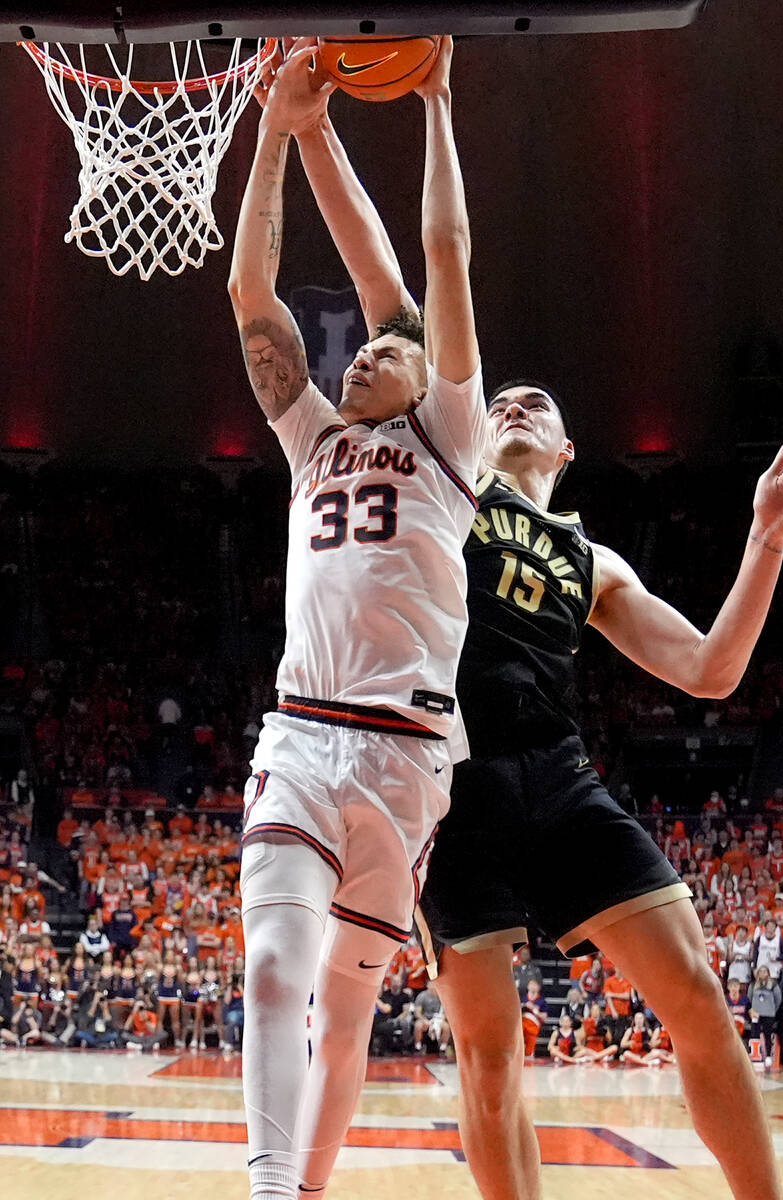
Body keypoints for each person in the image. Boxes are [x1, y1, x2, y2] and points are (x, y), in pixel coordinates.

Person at [413, 385, 783, 1200]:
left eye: (538, 403)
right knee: (487, 1056)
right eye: (501, 399)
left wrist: (766, 538)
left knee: (695, 992)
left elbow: (710, 670)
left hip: (556, 774)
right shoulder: (445, 487)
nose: (514, 405)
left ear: (567, 452)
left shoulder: (593, 561)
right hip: (449, 787)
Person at [231, 36, 482, 1200]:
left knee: (349, 1002)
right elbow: (253, 298)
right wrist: (280, 134)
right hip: (303, 731)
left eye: (394, 344)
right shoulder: (312, 440)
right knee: (276, 969)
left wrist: (434, 105)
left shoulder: (449, 436)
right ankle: (272, 1191)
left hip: (407, 754)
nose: (374, 344)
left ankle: (312, 1185)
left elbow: (434, 257)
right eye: (367, 346)